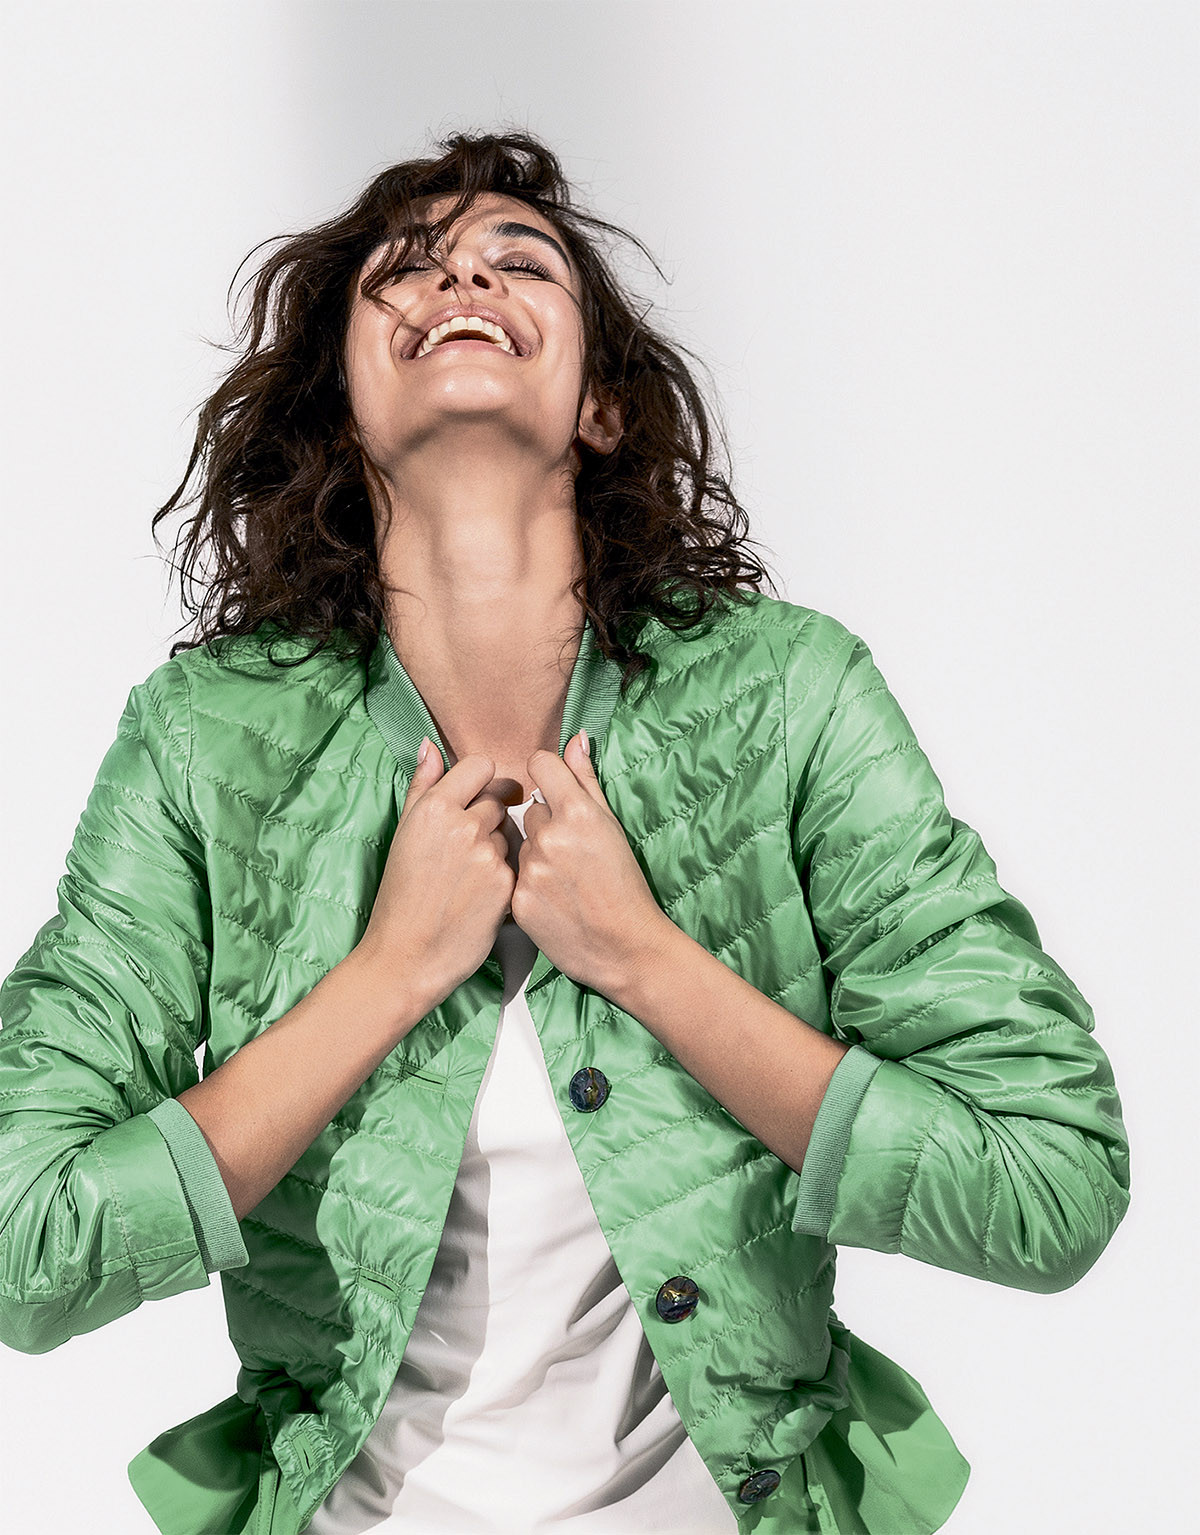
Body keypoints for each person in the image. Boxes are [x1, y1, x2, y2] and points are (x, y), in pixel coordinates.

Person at [0, 130, 1131, 1535]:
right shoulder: (203, 741)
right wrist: (389, 973)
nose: (462, 279)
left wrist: (645, 959)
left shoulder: (788, 696)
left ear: (598, 404)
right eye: (407, 272)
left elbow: (1047, 1183)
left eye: (517, 262)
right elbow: (23, 1247)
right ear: (341, 410)